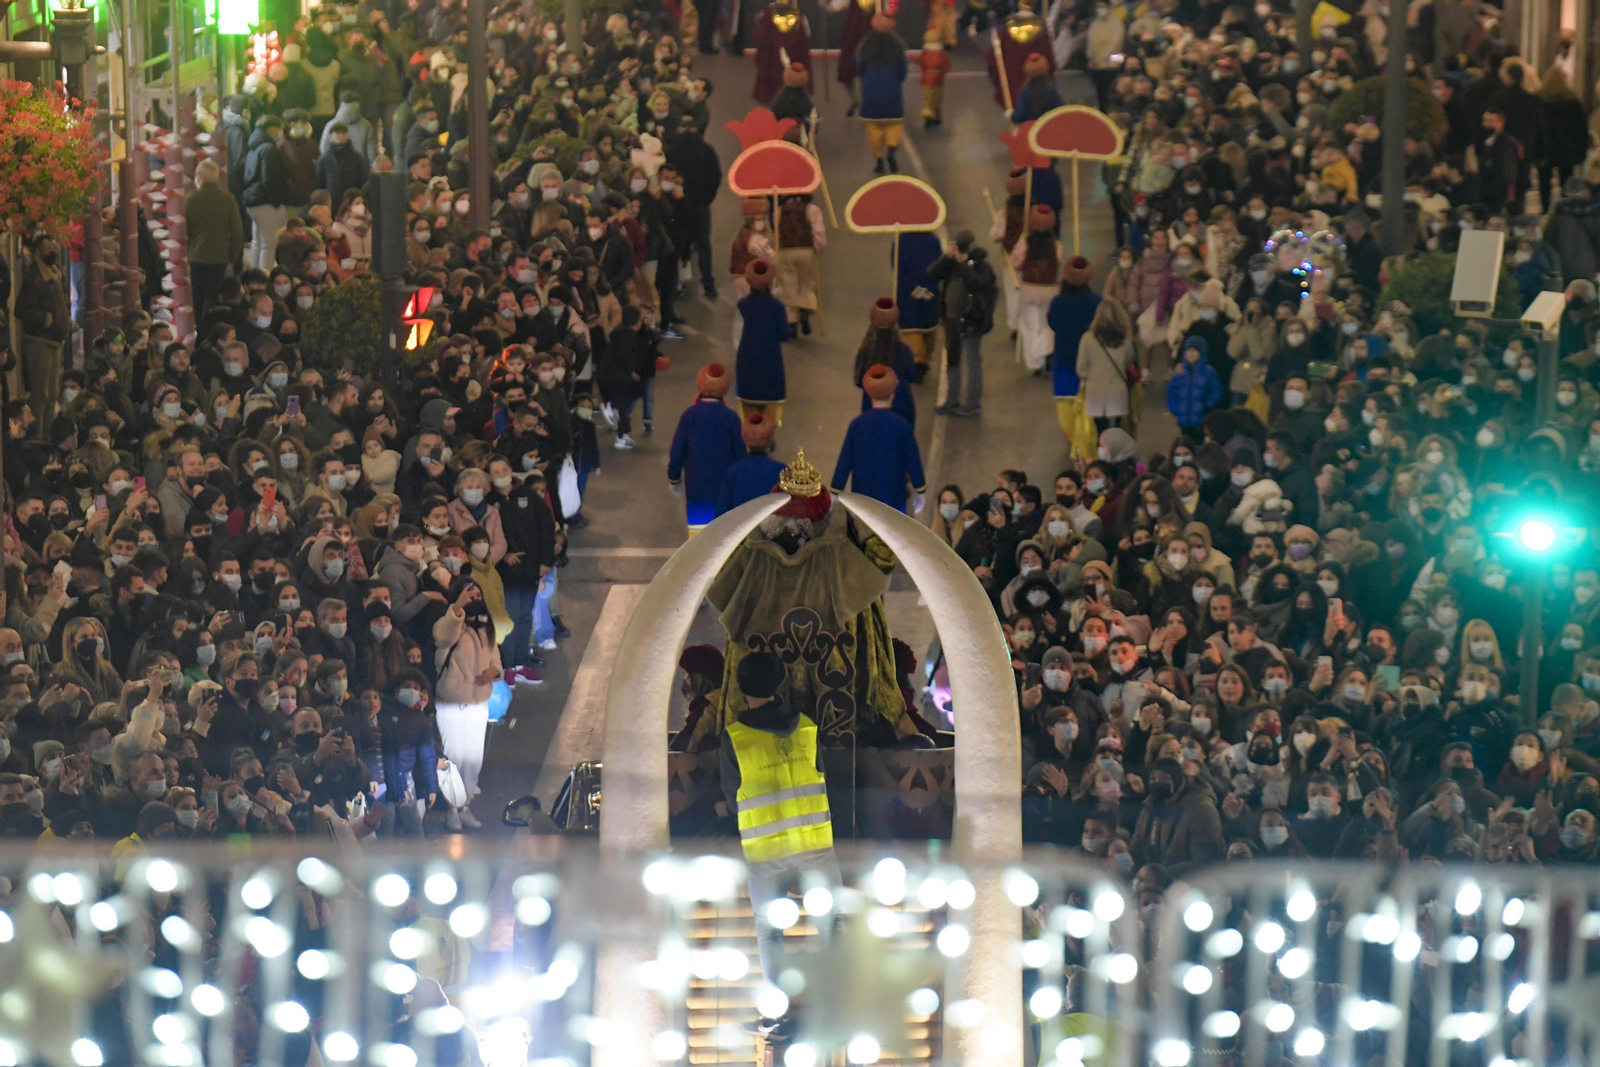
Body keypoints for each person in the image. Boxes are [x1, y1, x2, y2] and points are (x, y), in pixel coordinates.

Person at [720, 650, 839, 1034]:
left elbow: (729, 794)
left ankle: (775, 1016)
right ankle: (836, 1007)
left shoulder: (735, 739)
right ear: (778, 684)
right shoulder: (806, 726)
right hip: (815, 842)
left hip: (766, 848)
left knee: (769, 930)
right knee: (831, 925)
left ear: (741, 688)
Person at [432, 581, 501, 831]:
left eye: (478, 594)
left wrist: (494, 671)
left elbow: (495, 657)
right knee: (454, 758)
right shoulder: (450, 625)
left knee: (473, 759)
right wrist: (457, 609)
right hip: (451, 702)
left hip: (478, 702)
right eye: (469, 594)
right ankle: (452, 809)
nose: (475, 598)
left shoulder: (485, 629)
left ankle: (465, 806)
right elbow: (443, 637)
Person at [830, 365, 927, 514]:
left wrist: (835, 490)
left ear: (869, 394)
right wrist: (920, 489)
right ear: (893, 393)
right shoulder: (902, 425)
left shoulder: (857, 425)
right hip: (893, 498)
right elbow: (913, 460)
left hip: (862, 499)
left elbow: (845, 461)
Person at [668, 364, 746, 533]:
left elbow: (677, 450)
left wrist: (674, 478)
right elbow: (740, 455)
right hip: (725, 493)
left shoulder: (690, 415)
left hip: (697, 491)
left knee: (699, 540)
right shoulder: (731, 418)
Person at [929, 231, 999, 418]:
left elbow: (978, 283)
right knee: (953, 361)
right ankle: (952, 399)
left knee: (972, 361)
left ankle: (973, 404)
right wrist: (947, 258)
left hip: (972, 320)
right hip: (951, 319)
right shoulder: (951, 264)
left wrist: (964, 264)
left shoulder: (981, 265)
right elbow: (932, 273)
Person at [184, 160, 244, 325]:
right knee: (213, 296)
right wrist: (232, 257)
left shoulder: (190, 199)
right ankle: (211, 326)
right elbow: (237, 231)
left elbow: (184, 231)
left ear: (201, 177)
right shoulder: (228, 199)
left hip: (196, 256)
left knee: (197, 296)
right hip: (220, 256)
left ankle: (196, 327)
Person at [734, 261, 791, 423]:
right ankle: (766, 440)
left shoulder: (743, 305)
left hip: (747, 363)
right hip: (771, 363)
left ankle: (752, 441)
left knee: (749, 412)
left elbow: (737, 331)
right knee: (770, 413)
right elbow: (785, 334)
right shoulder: (777, 307)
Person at [856, 10, 908, 174]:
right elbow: (902, 72)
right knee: (894, 123)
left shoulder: (866, 46)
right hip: (892, 91)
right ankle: (891, 148)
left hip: (870, 91)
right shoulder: (897, 46)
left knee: (873, 127)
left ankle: (878, 159)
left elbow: (860, 68)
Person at [718, 413, 788, 516]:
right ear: (770, 439)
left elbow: (721, 516)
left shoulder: (732, 473)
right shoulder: (782, 471)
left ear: (744, 438)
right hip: (771, 530)